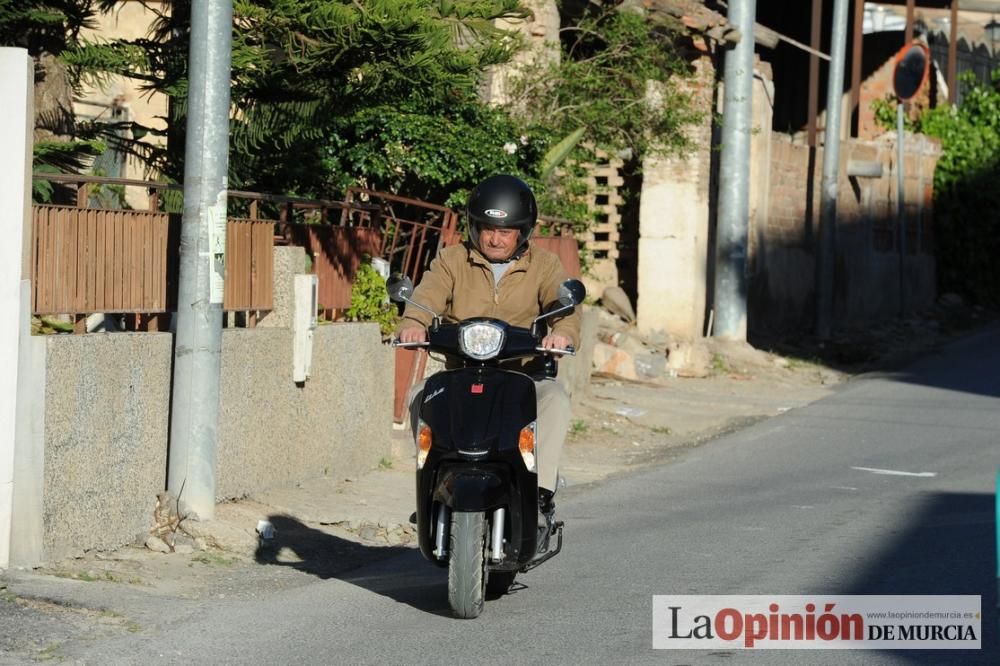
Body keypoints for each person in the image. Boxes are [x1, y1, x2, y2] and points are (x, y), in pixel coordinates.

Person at [396, 174, 580, 521]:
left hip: (522, 375)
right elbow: (427, 297)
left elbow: (563, 306)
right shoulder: (452, 260)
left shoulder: (544, 265)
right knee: (421, 394)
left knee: (555, 398)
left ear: (522, 232)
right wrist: (413, 324)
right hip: (460, 374)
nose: (495, 239)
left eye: (505, 231)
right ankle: (430, 484)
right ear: (474, 227)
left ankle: (539, 493)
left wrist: (563, 334)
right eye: (487, 229)